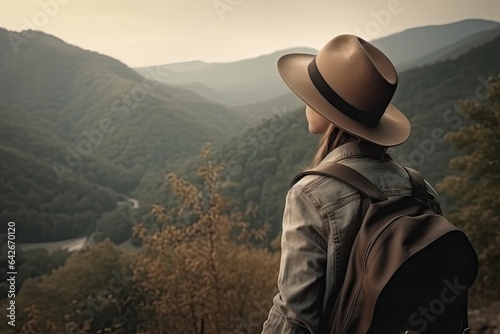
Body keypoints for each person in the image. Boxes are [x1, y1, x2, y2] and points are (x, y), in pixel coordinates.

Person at [261, 34, 442, 333]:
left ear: (327, 112)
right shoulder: (421, 189)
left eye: (310, 97)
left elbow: (296, 316)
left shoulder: (309, 196)